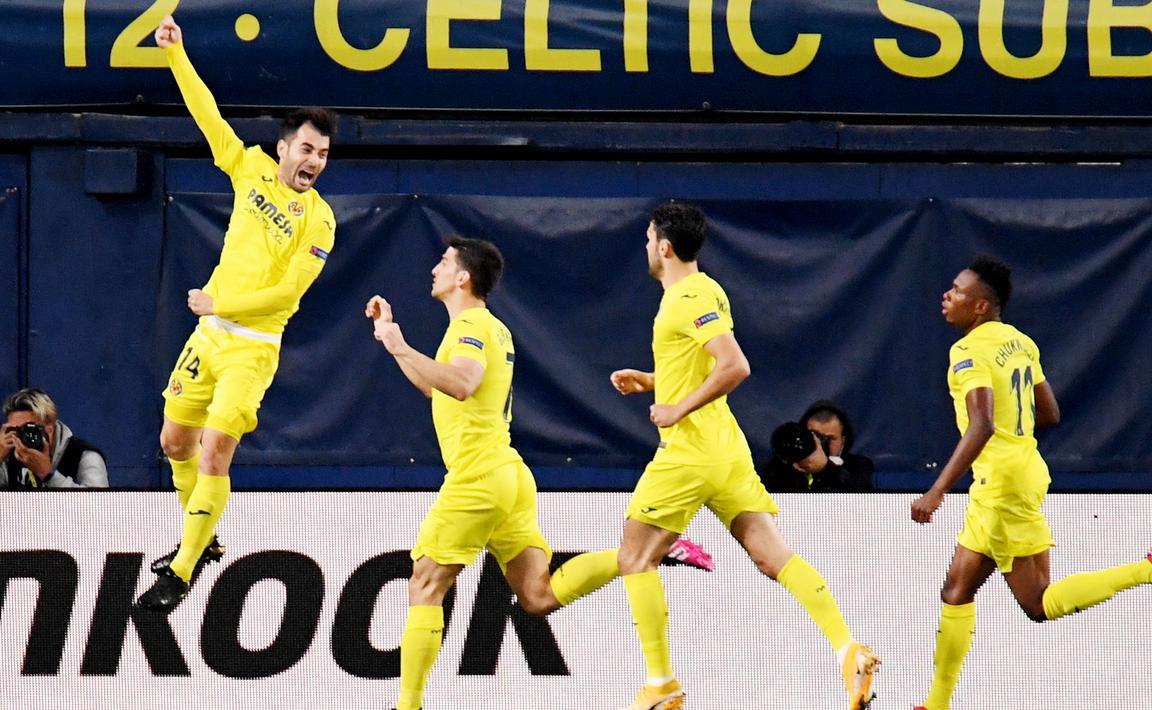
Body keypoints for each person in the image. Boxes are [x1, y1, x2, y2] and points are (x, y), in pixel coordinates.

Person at [366, 237, 712, 710]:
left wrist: (400, 344)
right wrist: (393, 342)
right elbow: (436, 388)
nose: (434, 269)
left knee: (425, 583)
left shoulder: (470, 324)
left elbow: (462, 384)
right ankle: (645, 552)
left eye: (444, 262)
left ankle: (407, 706)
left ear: (463, 278)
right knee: (538, 594)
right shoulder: (491, 328)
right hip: (508, 477)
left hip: (478, 476)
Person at [609, 202, 879, 710]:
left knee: (634, 557)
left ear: (664, 247)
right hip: (726, 450)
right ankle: (848, 650)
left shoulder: (685, 298)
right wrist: (651, 381)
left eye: (648, 239)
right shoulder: (707, 289)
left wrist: (676, 409)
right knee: (772, 556)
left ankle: (661, 684)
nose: (645, 247)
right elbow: (699, 365)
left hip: (690, 453)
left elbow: (734, 366)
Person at [909, 256, 1152, 710]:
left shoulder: (967, 352)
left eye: (958, 291)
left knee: (1037, 603)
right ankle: (936, 704)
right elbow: (1049, 413)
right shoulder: (1021, 342)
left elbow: (982, 424)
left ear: (981, 306)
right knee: (956, 588)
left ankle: (1150, 569)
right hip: (1022, 471)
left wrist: (937, 490)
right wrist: (1014, 432)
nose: (947, 296)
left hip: (1001, 485)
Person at [137, 15, 338, 612]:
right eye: (307, 149)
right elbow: (208, 119)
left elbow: (286, 297)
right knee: (175, 442)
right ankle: (204, 537)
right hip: (210, 337)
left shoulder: (320, 221)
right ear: (284, 149)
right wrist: (175, 54)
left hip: (252, 347)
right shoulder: (250, 168)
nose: (315, 161)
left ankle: (182, 569)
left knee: (216, 451)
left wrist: (218, 302)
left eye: (324, 154)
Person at [2, 388, 108, 488]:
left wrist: (48, 475)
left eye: (29, 429)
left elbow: (98, 500)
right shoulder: (9, 455)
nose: (21, 438)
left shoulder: (84, 456)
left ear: (49, 427)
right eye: (16, 430)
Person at [761, 399, 874, 493]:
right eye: (815, 435)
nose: (820, 443)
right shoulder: (782, 466)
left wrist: (826, 468)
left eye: (830, 438)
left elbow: (862, 496)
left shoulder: (858, 466)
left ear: (843, 440)